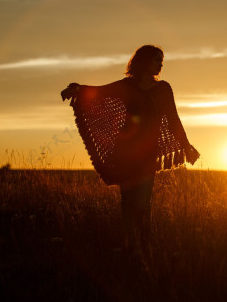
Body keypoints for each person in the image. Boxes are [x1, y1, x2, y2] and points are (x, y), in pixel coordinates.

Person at [61, 45, 199, 251]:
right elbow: (99, 92)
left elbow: (173, 120)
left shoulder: (163, 89)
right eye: (156, 59)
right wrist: (78, 89)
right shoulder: (127, 86)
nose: (161, 64)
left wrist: (186, 146)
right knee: (128, 204)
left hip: (147, 154)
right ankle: (130, 248)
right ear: (143, 61)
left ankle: (144, 248)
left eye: (162, 60)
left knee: (143, 204)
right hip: (125, 152)